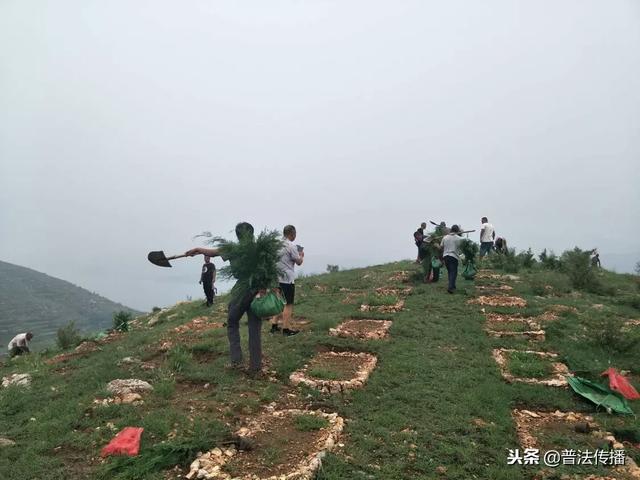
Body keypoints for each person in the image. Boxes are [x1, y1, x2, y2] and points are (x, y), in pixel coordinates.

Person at [186, 222, 266, 374]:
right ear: (252, 233)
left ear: (237, 235)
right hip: (257, 289)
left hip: (242, 288)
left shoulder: (234, 249)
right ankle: (256, 367)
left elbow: (213, 252)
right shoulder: (259, 249)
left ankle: (236, 362)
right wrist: (263, 290)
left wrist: (197, 249)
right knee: (254, 327)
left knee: (232, 321)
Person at [270, 225, 304, 336]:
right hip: (287, 279)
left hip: (276, 278)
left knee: (278, 303)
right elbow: (298, 262)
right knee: (288, 304)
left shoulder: (276, 245)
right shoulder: (291, 246)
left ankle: (274, 326)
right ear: (292, 233)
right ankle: (286, 329)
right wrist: (301, 255)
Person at [441, 225, 464, 294]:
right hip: (453, 256)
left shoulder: (445, 237)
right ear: (457, 231)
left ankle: (452, 286)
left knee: (450, 271)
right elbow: (462, 247)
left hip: (445, 256)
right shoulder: (459, 238)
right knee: (453, 272)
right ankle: (450, 287)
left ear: (451, 230)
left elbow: (441, 247)